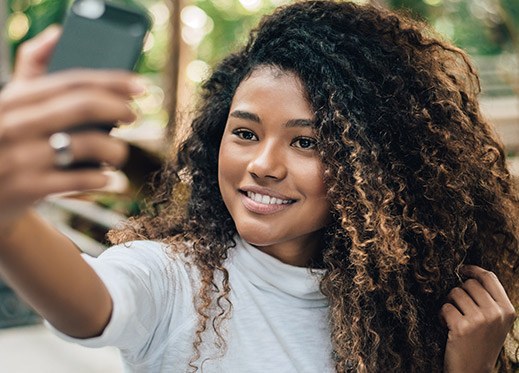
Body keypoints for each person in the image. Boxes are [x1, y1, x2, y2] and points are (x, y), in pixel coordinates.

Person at [0, 1, 517, 372]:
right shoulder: (175, 280)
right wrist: (9, 216)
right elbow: (90, 305)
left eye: (307, 143)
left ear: (376, 167)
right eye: (245, 133)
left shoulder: (417, 307)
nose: (264, 165)